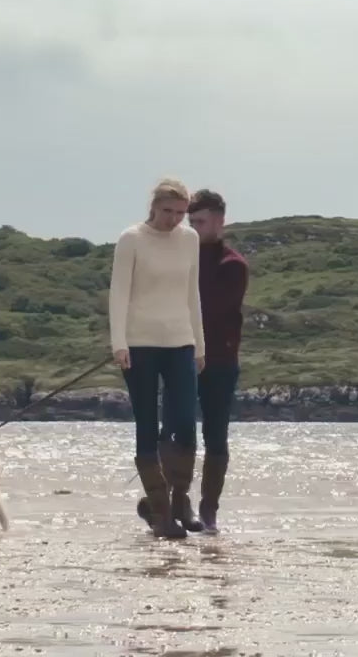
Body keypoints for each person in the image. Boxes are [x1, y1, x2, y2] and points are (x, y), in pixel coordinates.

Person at [146, 188, 249, 535]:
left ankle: (209, 508)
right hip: (180, 355)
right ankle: (177, 501)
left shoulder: (232, 265)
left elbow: (209, 307)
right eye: (190, 221)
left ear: (219, 221)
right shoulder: (179, 256)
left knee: (215, 435)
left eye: (200, 222)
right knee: (175, 430)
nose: (191, 228)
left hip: (219, 360)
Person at [109, 178, 205, 540]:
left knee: (184, 421)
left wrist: (200, 346)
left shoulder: (189, 239)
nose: (174, 220)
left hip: (180, 339)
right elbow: (118, 293)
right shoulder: (131, 238)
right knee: (147, 423)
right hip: (139, 342)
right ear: (154, 207)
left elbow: (191, 292)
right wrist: (119, 342)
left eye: (181, 214)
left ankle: (180, 500)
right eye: (168, 211)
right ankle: (161, 514)